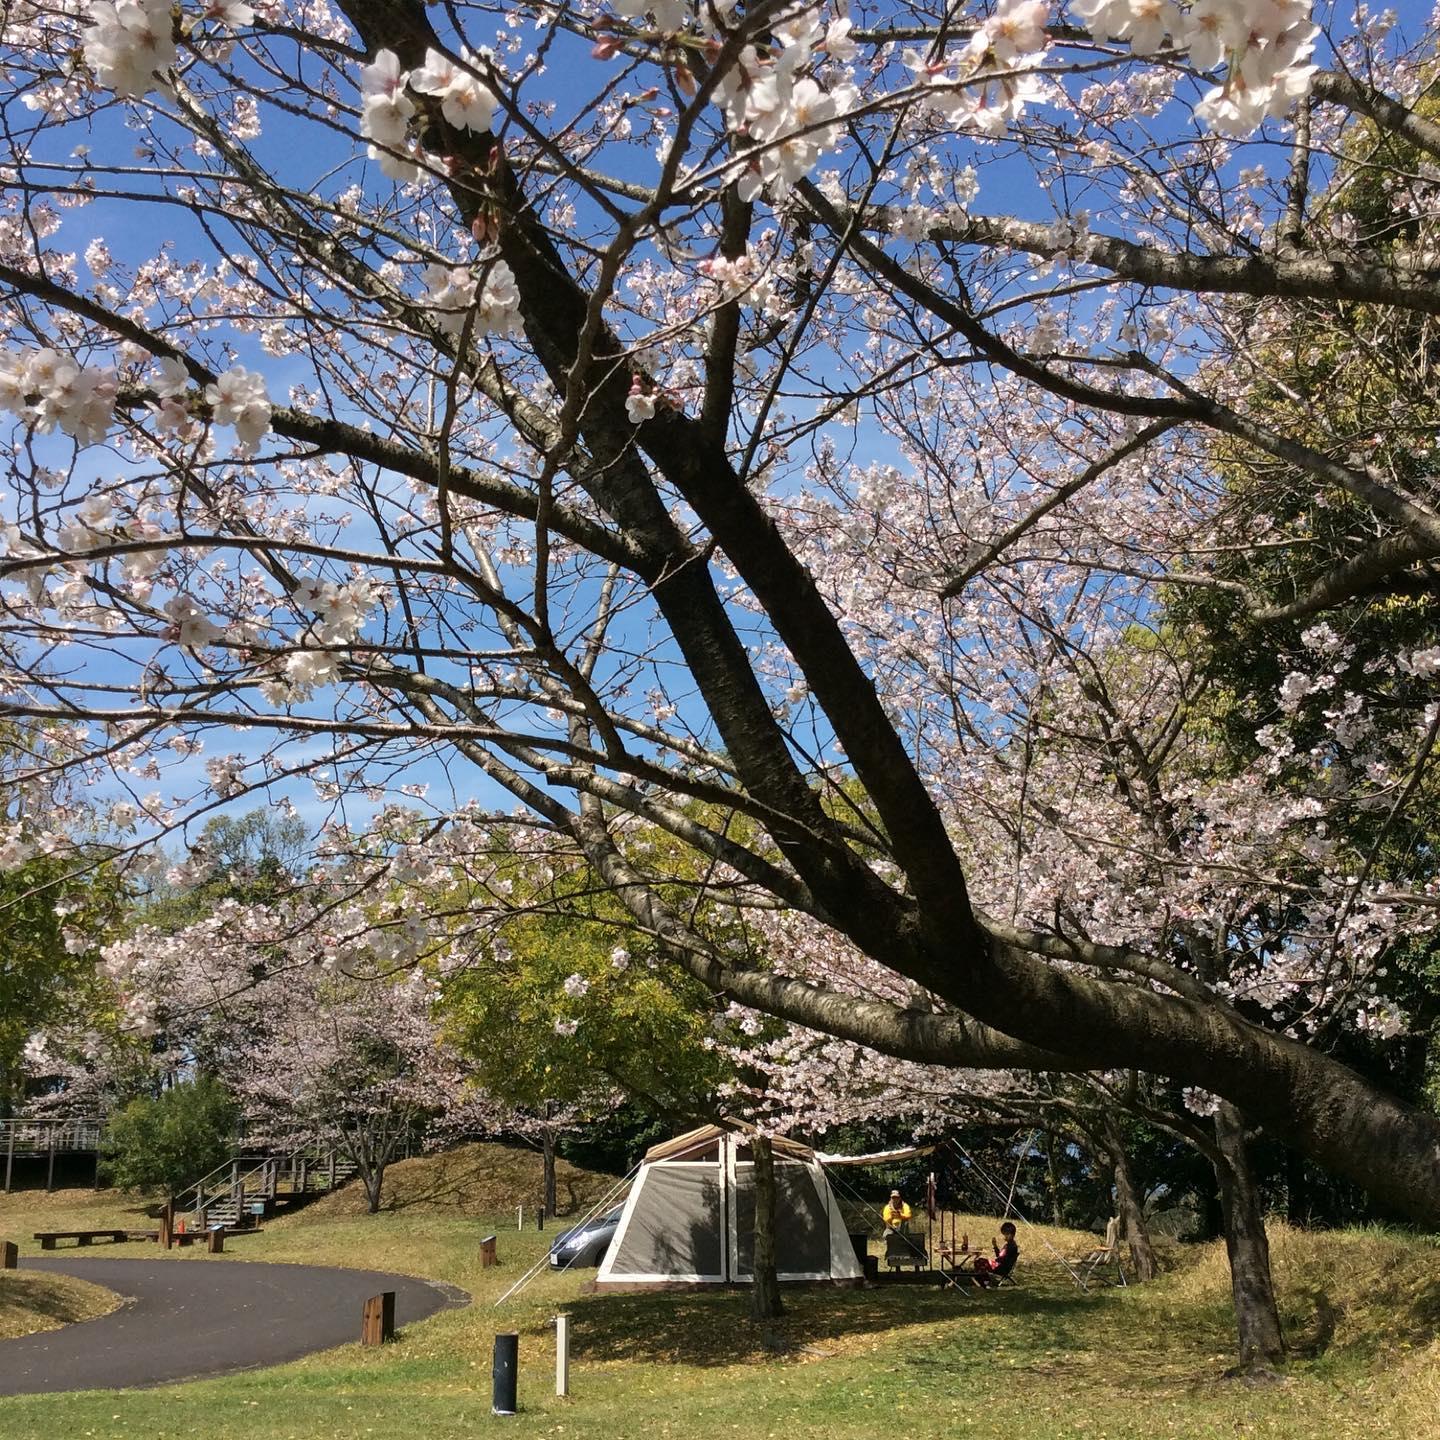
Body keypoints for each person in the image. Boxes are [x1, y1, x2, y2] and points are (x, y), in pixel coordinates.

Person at [971, 1221, 1019, 1288]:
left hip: (1002, 1268)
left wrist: (994, 1262)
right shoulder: (1007, 1245)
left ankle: (985, 1281)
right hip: (999, 1264)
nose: (1005, 1236)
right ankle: (981, 1279)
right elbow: (1000, 1256)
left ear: (1011, 1234)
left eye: (1006, 1234)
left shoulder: (1012, 1246)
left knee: (981, 1262)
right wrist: (995, 1246)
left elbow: (1005, 1259)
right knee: (978, 1261)